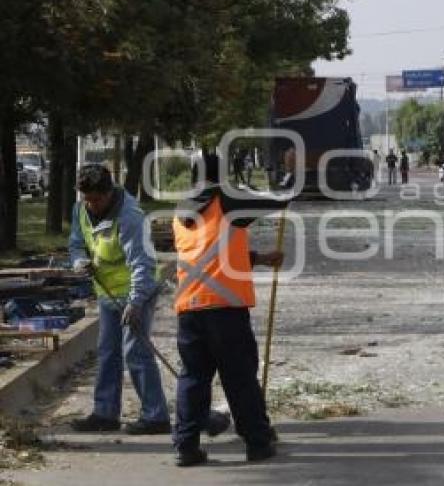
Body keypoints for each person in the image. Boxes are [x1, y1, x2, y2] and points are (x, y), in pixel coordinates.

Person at [170, 153, 285, 466]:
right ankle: (258, 442)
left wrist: (259, 258)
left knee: (193, 378)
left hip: (189, 307)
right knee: (240, 377)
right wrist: (289, 183)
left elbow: (212, 252)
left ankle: (186, 446)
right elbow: (275, 202)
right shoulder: (226, 198)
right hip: (224, 309)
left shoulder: (181, 210)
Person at [68, 164, 170, 435]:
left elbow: (143, 264)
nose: (92, 205)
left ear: (109, 193)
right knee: (107, 353)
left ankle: (156, 416)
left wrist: (136, 303)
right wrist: (79, 261)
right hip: (106, 293)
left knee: (135, 352)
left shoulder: (130, 217)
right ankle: (105, 413)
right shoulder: (81, 210)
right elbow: (76, 243)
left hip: (137, 291)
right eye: (87, 199)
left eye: (96, 200)